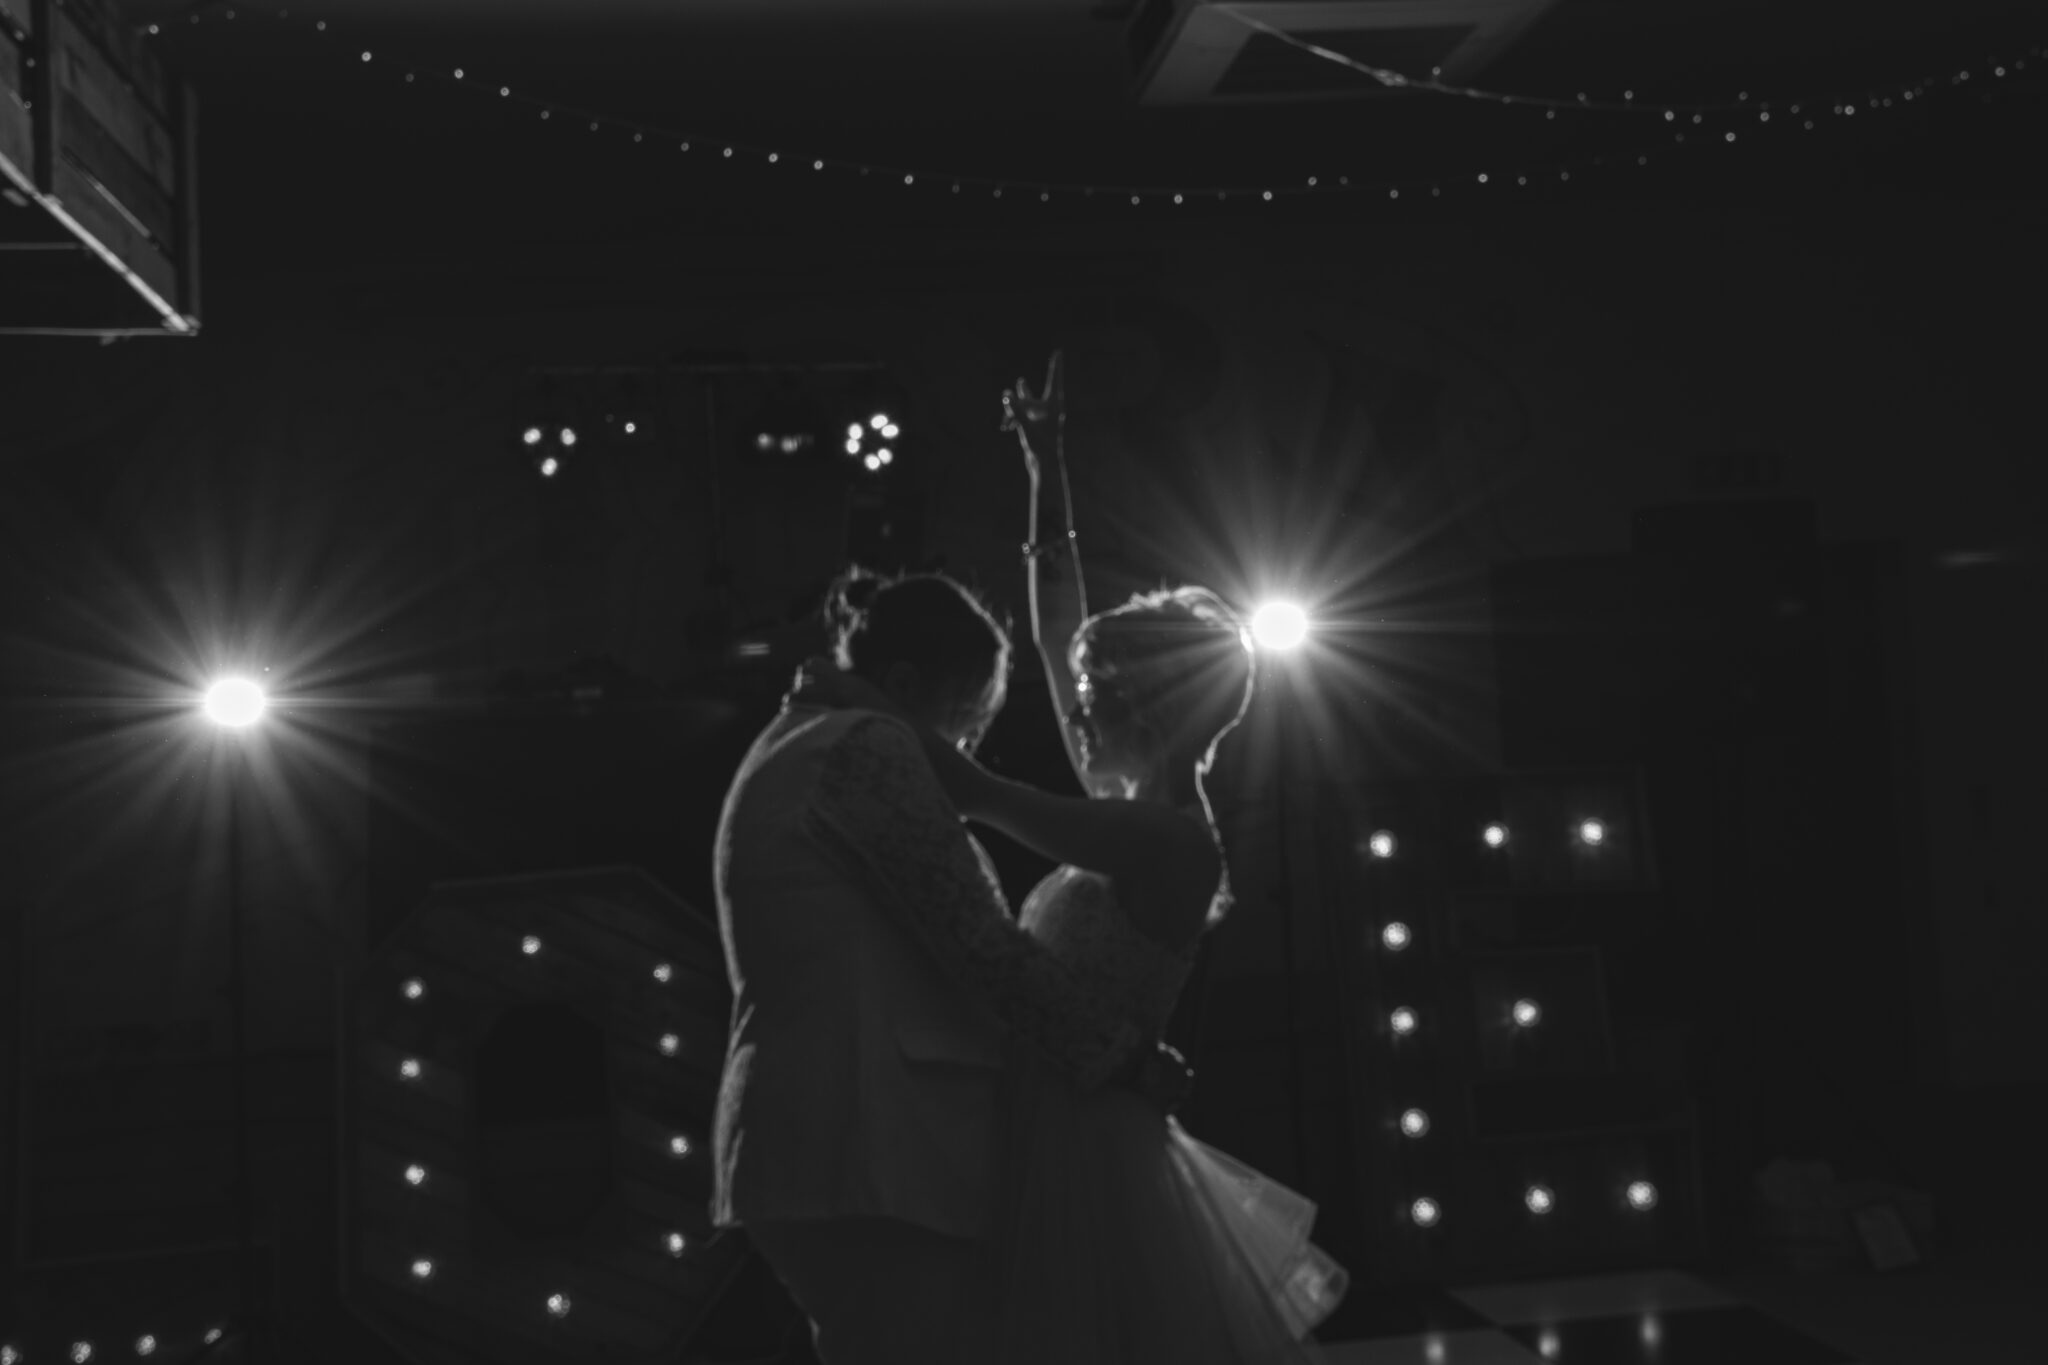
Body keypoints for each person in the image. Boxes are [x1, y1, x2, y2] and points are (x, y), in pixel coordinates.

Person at [792, 352, 1348, 1360]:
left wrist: (848, 696)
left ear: (1144, 704)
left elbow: (978, 795)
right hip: (1046, 1111)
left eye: (1096, 694)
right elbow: (1055, 634)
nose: (1077, 703)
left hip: (1084, 1146)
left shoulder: (1161, 838)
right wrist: (1045, 465)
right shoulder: (1128, 805)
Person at [708, 563, 1188, 1365]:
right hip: (871, 1145)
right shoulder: (869, 744)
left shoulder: (790, 740)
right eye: (963, 724)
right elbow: (978, 943)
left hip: (814, 1144)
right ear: (902, 683)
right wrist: (1124, 1057)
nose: (961, 753)